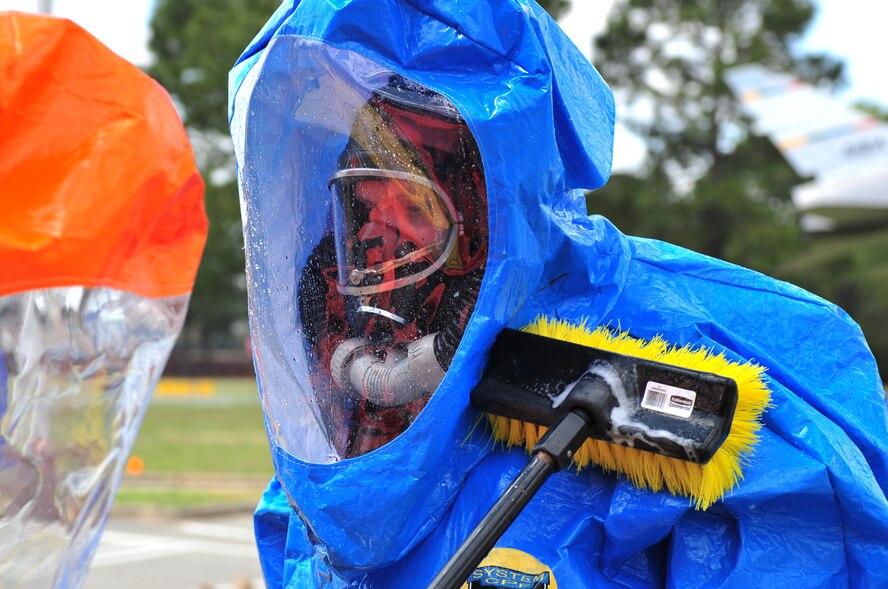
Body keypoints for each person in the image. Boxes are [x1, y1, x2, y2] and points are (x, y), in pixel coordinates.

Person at [229, 1, 888, 587]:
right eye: (358, 215)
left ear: (486, 207)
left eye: (407, 207)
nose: (370, 250)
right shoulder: (337, 454)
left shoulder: (690, 346)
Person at [298, 77, 487, 457]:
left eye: (409, 213)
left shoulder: (482, 293)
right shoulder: (326, 279)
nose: (373, 236)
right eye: (366, 212)